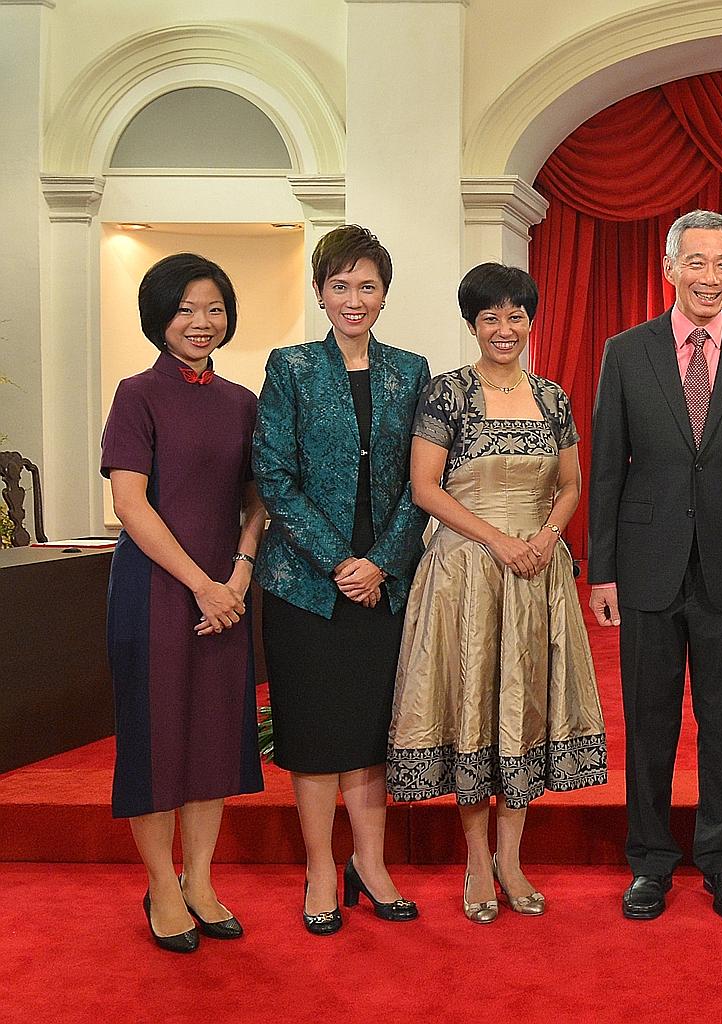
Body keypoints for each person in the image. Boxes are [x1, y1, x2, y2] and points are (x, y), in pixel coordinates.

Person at [588, 209, 722, 920]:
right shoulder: (626, 349)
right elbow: (607, 465)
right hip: (646, 568)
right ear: (669, 268)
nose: (710, 277)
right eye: (696, 263)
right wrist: (602, 571)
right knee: (648, 724)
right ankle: (649, 862)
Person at [387, 264, 606, 922]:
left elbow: (570, 483)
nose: (503, 328)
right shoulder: (447, 393)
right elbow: (426, 489)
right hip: (467, 575)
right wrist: (499, 542)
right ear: (473, 324)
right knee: (474, 712)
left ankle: (512, 859)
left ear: (531, 321)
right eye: (490, 318)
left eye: (515, 316)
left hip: (536, 575)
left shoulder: (552, 396)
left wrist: (544, 537)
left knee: (524, 714)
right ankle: (477, 863)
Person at [253, 225, 430, 935]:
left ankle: (372, 863)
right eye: (340, 285)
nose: (354, 299)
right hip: (305, 582)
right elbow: (274, 473)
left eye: (368, 286)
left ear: (385, 294)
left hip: (385, 582)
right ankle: (322, 868)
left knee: (369, 728)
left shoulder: (410, 371)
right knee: (316, 729)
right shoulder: (291, 367)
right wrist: (338, 562)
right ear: (320, 291)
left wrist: (382, 561)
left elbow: (426, 480)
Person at [101, 253, 266, 953]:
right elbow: (129, 504)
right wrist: (203, 584)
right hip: (156, 593)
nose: (202, 323)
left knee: (211, 741)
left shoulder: (242, 402)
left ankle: (200, 880)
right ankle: (161, 889)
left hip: (227, 593)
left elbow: (258, 500)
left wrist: (240, 572)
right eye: (187, 309)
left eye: (215, 309)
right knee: (156, 737)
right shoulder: (136, 394)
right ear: (159, 317)